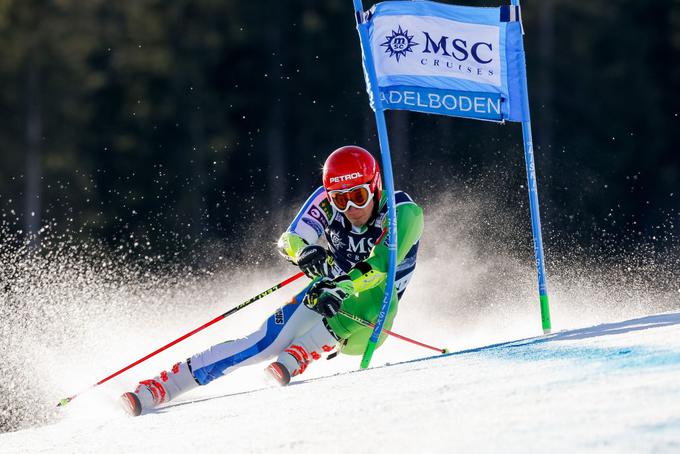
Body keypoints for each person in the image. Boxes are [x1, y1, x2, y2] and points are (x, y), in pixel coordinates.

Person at [120, 145, 424, 416]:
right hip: (326, 292)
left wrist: (340, 285)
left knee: (378, 293)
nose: (350, 209)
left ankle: (302, 352)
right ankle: (162, 386)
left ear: (375, 186)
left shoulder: (403, 212)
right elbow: (289, 239)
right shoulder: (326, 201)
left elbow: (381, 265)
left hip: (372, 315)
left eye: (358, 196)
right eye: (340, 200)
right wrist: (305, 252)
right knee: (262, 343)